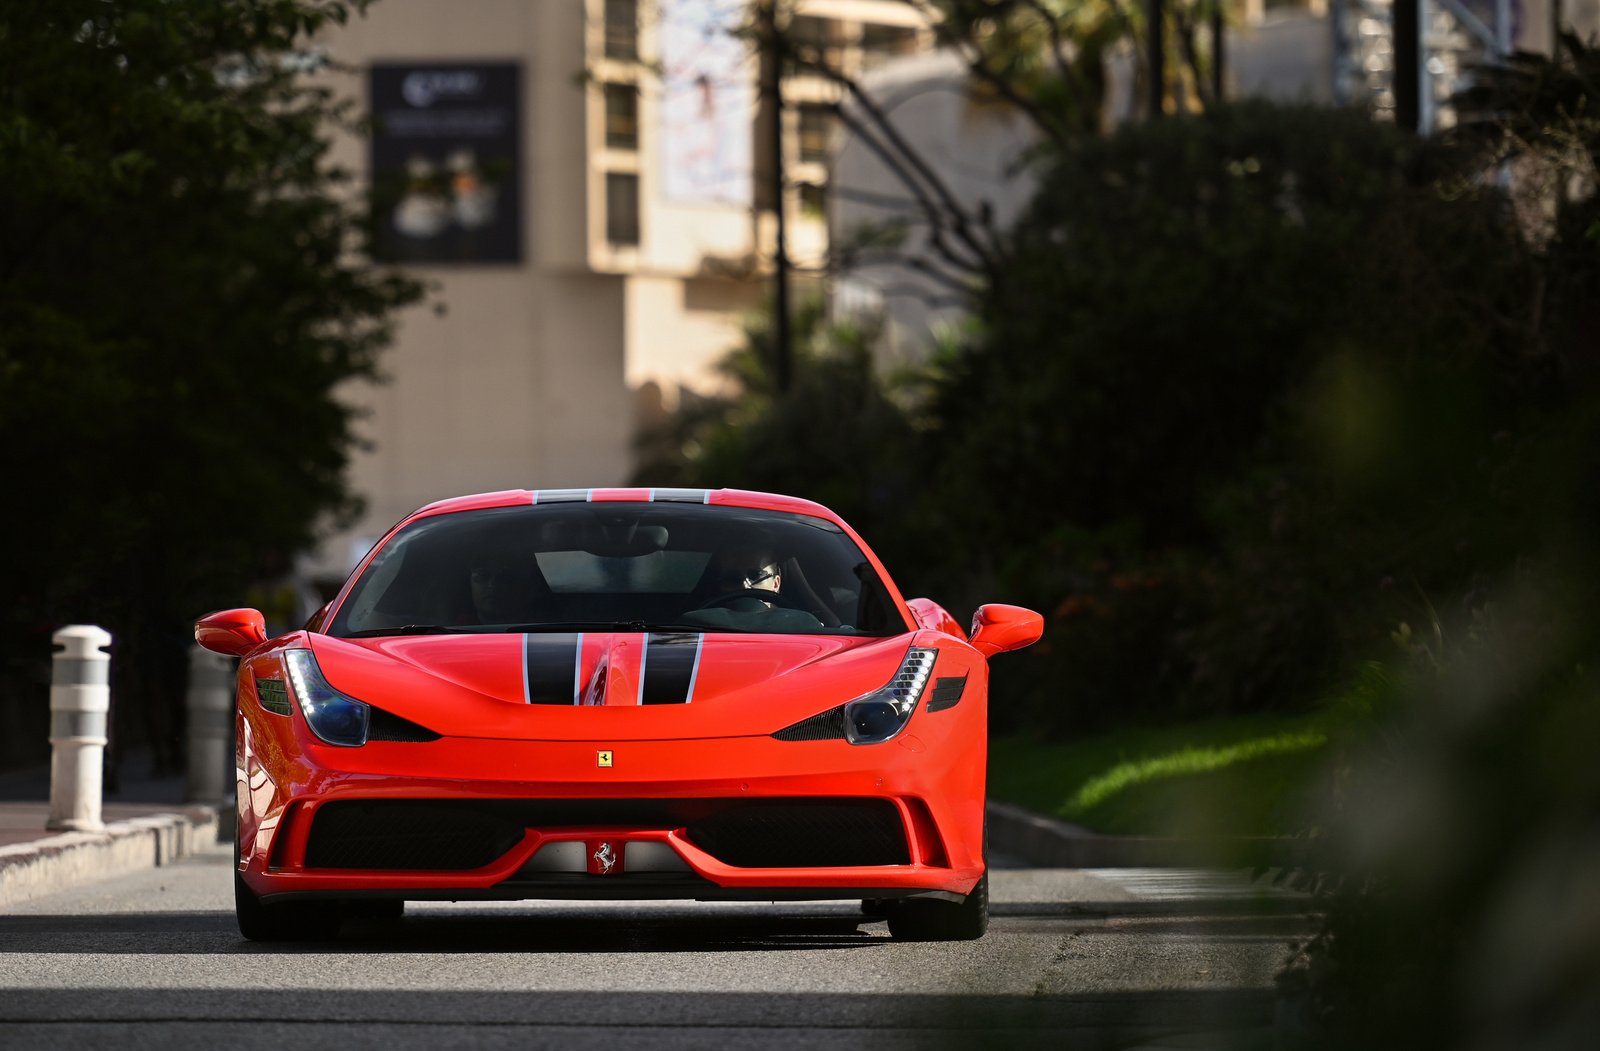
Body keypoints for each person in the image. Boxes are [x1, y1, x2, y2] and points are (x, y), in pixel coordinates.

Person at [468, 559, 539, 624]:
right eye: (482, 575)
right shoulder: (458, 631)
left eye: (506, 577)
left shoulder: (543, 632)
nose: (492, 585)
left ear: (532, 588)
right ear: (470, 583)